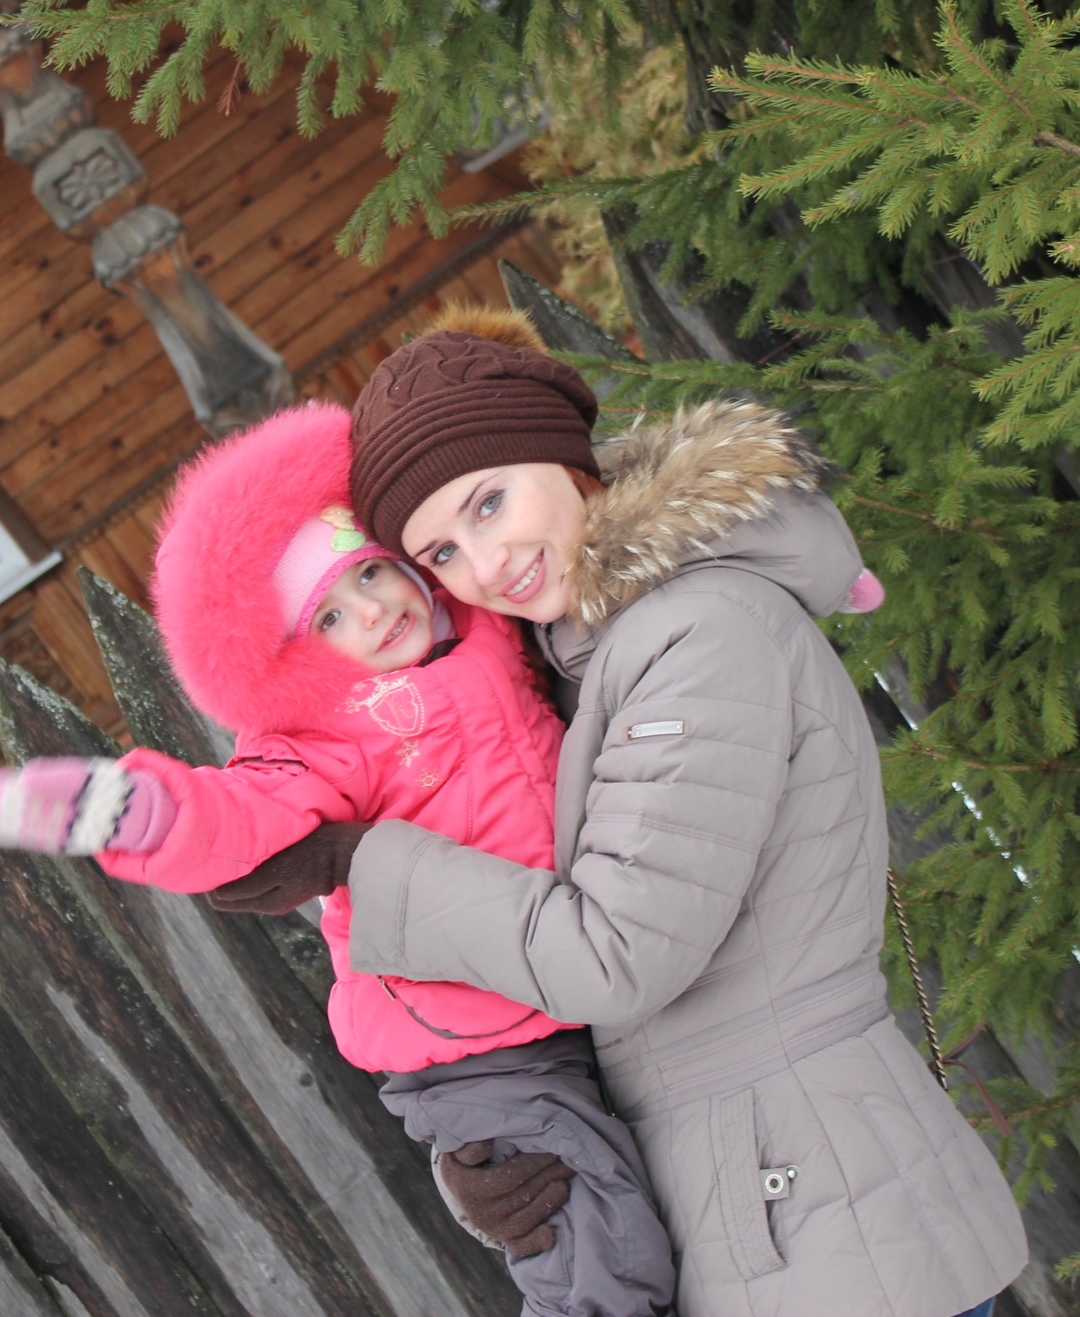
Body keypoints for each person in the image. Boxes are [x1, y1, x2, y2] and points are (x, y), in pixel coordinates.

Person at [207, 308, 1025, 1317]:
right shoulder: (576, 664)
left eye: (489, 502)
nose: (486, 562)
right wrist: (514, 1147)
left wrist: (361, 863)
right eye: (442, 551)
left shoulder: (698, 635)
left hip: (826, 1209)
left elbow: (615, 955)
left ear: (560, 455)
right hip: (753, 1204)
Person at [0, 401, 679, 1317]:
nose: (374, 611)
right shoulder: (319, 737)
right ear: (295, 658)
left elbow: (610, 551)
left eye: (372, 572)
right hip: (474, 1042)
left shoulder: (490, 626)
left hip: (583, 972)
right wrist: (143, 813)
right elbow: (243, 812)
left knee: (672, 1191)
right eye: (330, 615)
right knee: (593, 1244)